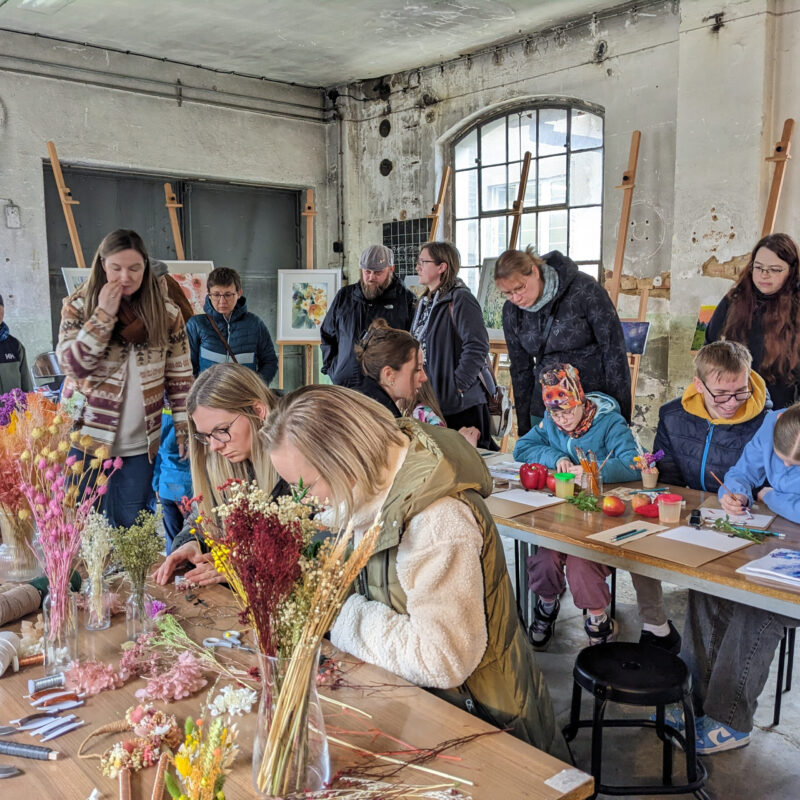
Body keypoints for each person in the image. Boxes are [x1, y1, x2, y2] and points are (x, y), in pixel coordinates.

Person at [261, 384, 561, 754]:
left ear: (345, 460)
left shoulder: (437, 521)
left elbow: (442, 660)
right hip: (431, 709)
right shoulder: (373, 488)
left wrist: (337, 616)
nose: (302, 499)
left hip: (486, 723)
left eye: (304, 485)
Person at [677, 404, 800, 754]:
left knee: (759, 607)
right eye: (782, 459)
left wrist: (771, 496)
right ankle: (690, 699)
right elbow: (741, 471)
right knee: (710, 586)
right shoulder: (773, 423)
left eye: (797, 464)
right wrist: (735, 493)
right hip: (777, 541)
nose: (787, 467)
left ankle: (729, 721)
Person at [56, 229, 193, 528]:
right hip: (84, 438)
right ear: (102, 264)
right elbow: (72, 365)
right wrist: (103, 316)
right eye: (116, 268)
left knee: (129, 528)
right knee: (78, 528)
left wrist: (184, 426)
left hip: (139, 446)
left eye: (134, 268)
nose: (125, 277)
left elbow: (180, 375)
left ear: (145, 266)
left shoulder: (166, 312)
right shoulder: (78, 306)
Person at [513, 364, 641, 649]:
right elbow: (521, 449)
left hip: (601, 515)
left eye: (569, 411)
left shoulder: (610, 423)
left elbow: (634, 464)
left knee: (582, 563)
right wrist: (555, 454)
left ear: (582, 401)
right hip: (563, 514)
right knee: (546, 556)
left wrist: (591, 471)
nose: (564, 420)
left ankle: (597, 618)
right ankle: (547, 605)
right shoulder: (552, 422)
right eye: (557, 414)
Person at [153, 363, 280, 586]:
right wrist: (192, 542)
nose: (213, 446)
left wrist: (246, 567)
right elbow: (203, 515)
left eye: (222, 431)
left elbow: (311, 553)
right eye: (206, 436)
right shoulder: (218, 459)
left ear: (259, 412)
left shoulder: (296, 461)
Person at [494, 246, 631, 436]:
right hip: (544, 408)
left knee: (588, 465)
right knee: (547, 463)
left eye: (520, 287)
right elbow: (520, 370)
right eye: (507, 293)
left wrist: (622, 417)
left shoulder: (584, 289)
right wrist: (525, 428)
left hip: (591, 405)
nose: (516, 298)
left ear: (534, 271)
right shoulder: (511, 311)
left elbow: (614, 353)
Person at [410, 242, 494, 449]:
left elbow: (477, 345)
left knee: (470, 463)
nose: (417, 267)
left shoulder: (461, 299)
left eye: (423, 262)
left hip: (461, 404)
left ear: (442, 267)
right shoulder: (425, 301)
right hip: (436, 401)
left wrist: (457, 385)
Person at [705, 233, 800, 409]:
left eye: (775, 269)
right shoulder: (734, 300)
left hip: (782, 410)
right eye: (758, 267)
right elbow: (709, 348)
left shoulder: (796, 308)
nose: (764, 275)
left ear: (791, 271)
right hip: (734, 404)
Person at [355, 319, 481, 446]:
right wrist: (463, 447)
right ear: (389, 374)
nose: (424, 377)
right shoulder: (384, 421)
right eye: (417, 369)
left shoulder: (367, 404)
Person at [320, 245, 416, 388]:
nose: (371, 277)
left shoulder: (406, 301)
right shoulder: (345, 296)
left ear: (391, 269)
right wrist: (333, 369)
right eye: (367, 272)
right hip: (346, 385)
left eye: (378, 272)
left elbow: (412, 344)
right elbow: (327, 334)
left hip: (385, 388)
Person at [186, 267, 277, 385]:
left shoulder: (255, 324)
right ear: (209, 295)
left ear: (239, 294)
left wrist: (257, 388)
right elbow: (188, 367)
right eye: (216, 295)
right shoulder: (196, 325)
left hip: (244, 399)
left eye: (228, 295)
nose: (222, 301)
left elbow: (270, 362)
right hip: (208, 399)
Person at [0, 293, 32, 393]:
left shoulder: (15, 346)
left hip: (13, 408)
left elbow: (26, 385)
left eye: (0, 312)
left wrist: (30, 406)